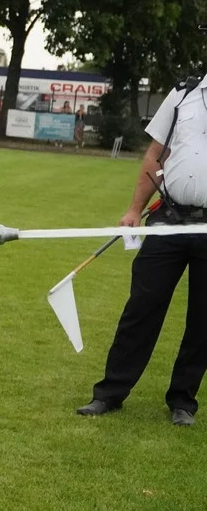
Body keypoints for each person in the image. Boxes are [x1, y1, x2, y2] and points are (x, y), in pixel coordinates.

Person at [76, 74, 207, 427]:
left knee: (203, 319)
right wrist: (134, 210)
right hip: (169, 217)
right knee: (141, 308)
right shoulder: (183, 95)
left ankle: (183, 400)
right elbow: (154, 155)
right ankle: (109, 393)